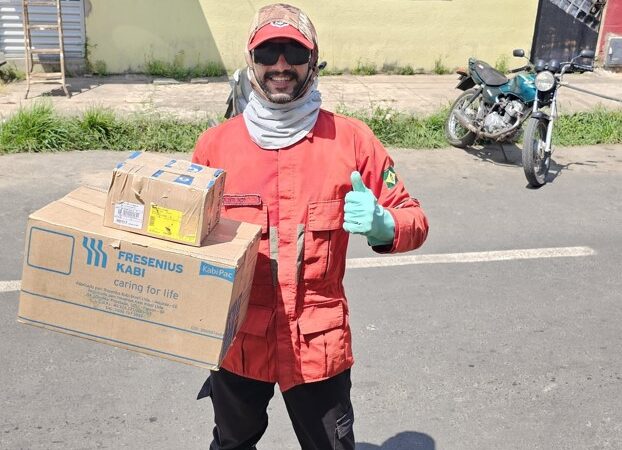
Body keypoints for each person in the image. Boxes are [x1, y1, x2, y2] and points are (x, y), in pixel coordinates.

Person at [192, 4, 429, 449]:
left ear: (313, 61)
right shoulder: (215, 146)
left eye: (292, 52)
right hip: (239, 343)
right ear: (251, 62)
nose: (280, 66)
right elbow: (188, 240)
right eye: (267, 53)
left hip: (319, 347)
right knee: (231, 444)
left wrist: (384, 225)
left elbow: (415, 218)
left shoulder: (353, 141)